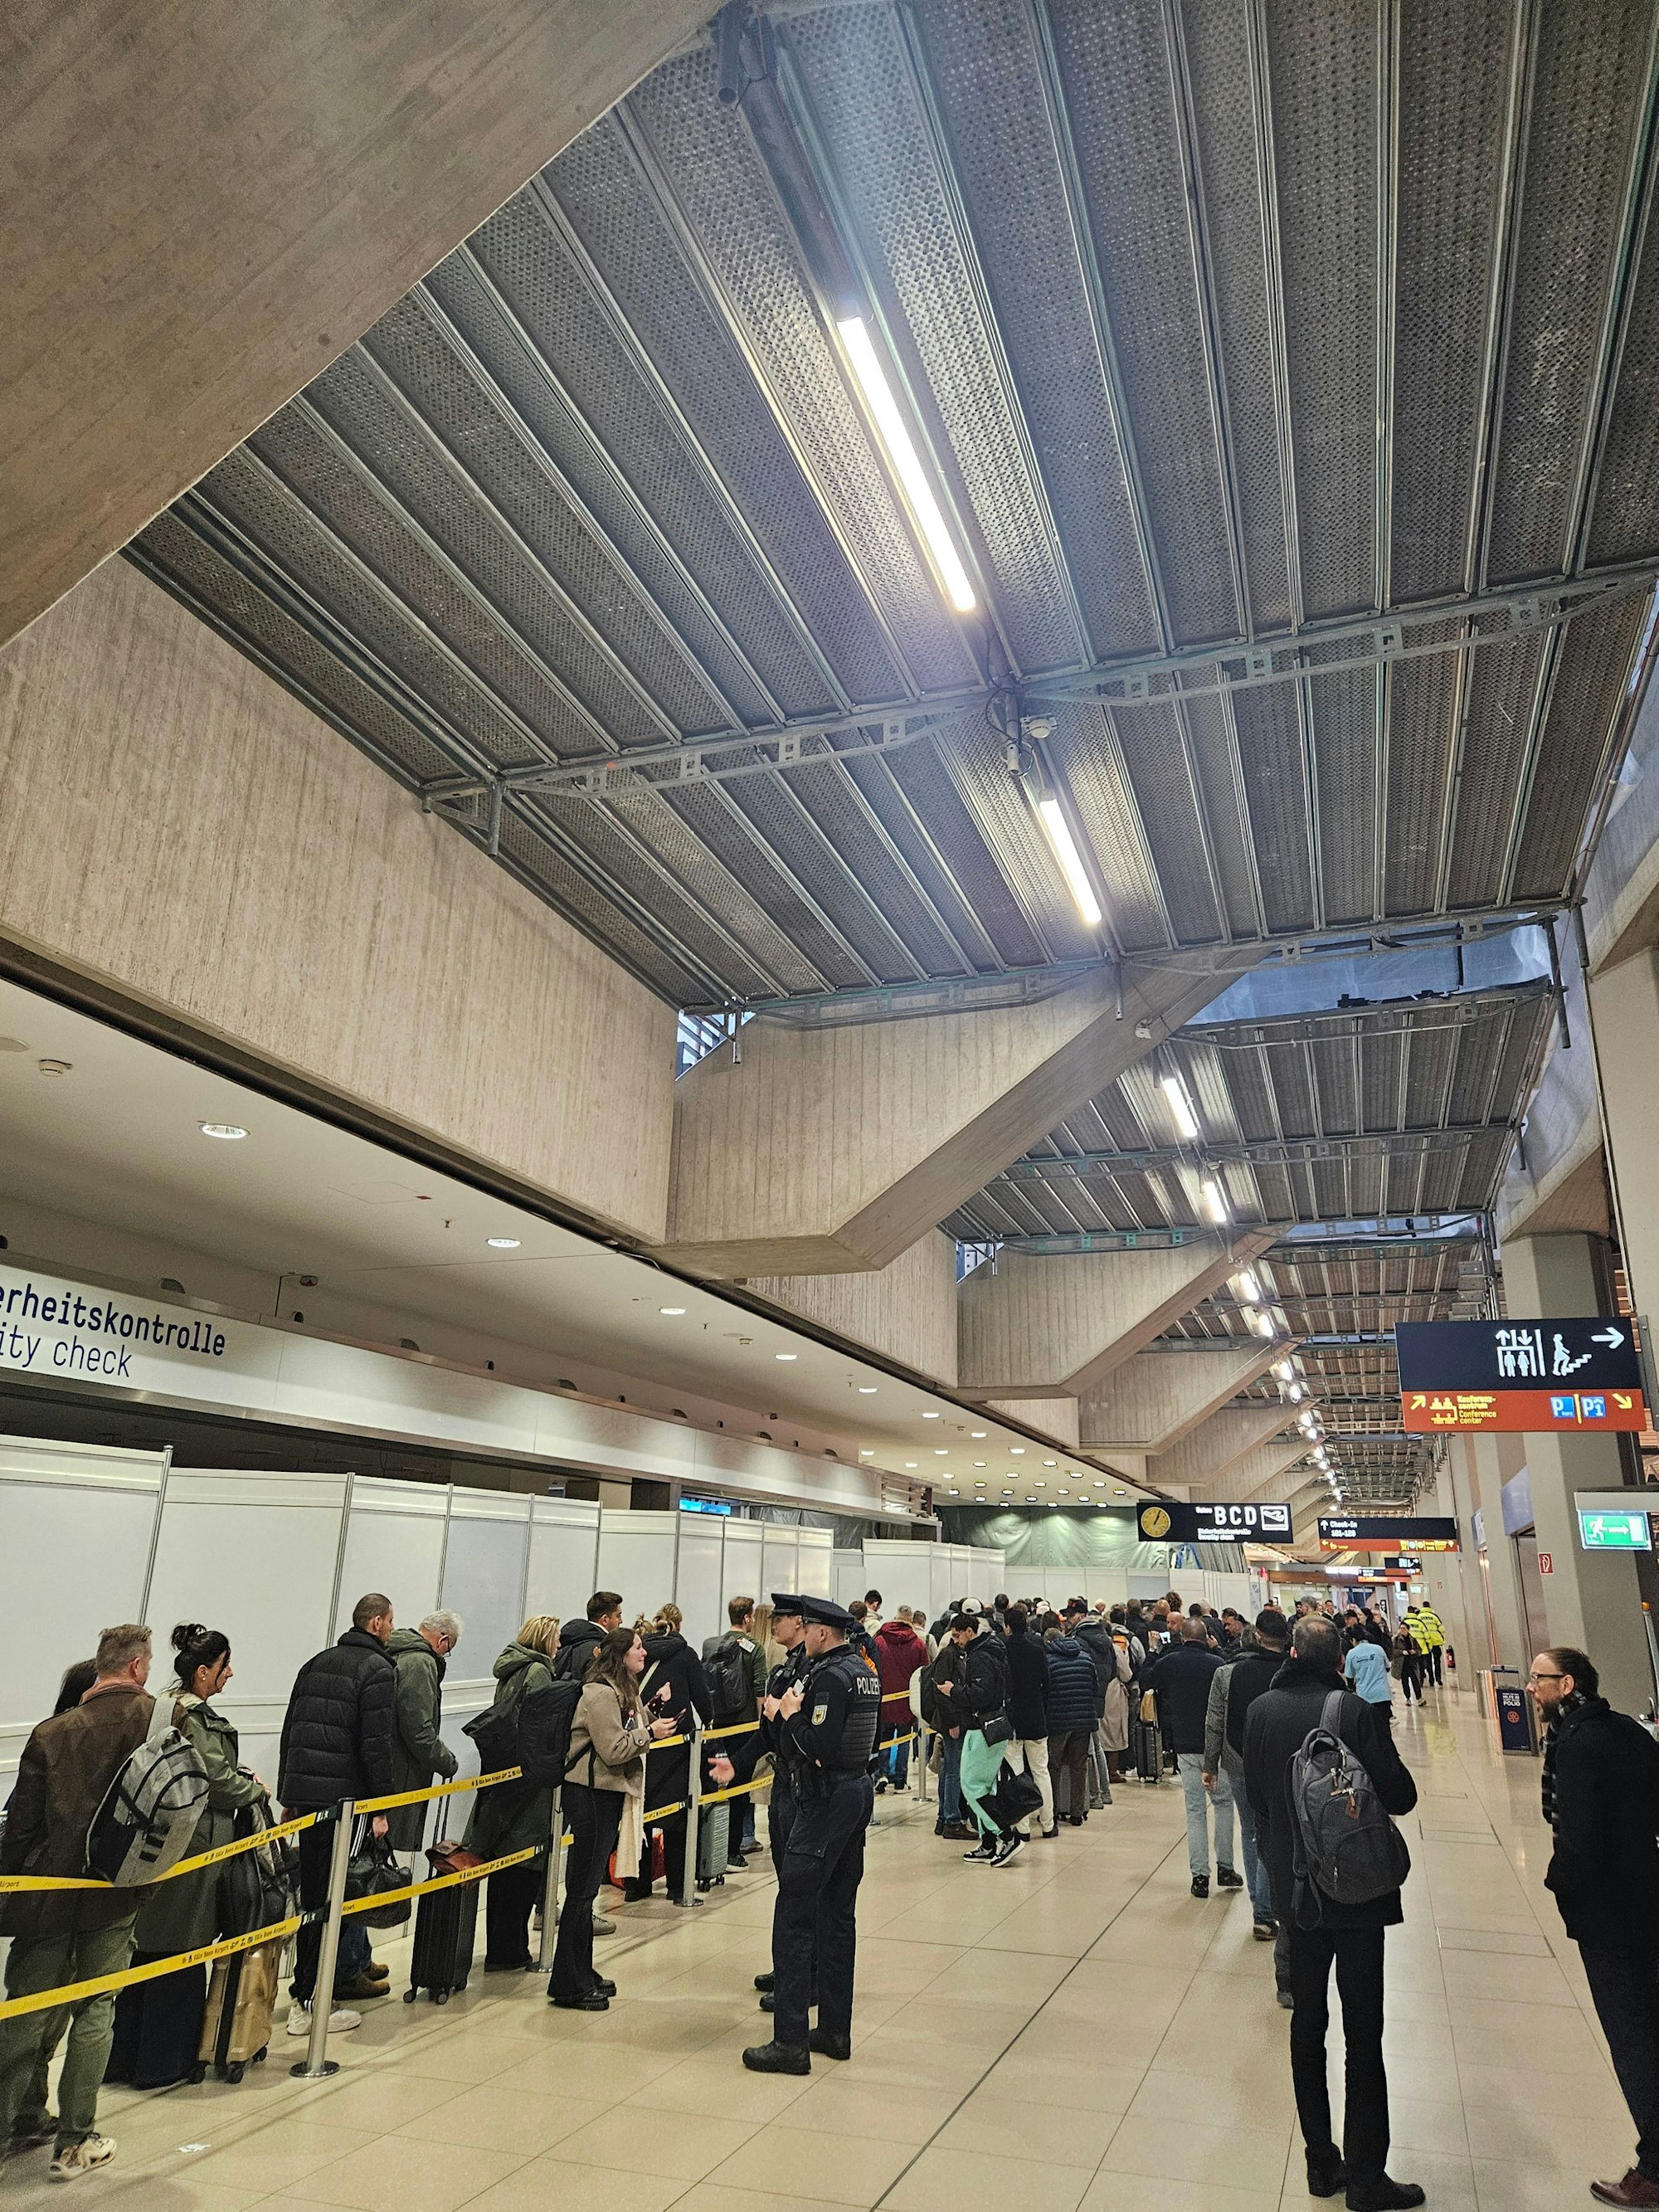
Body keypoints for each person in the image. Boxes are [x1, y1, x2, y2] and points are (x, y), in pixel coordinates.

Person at [1243, 1614, 1421, 2211]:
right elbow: (1400, 1795)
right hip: (1358, 1893)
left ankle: (1321, 2161)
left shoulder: (1261, 1712)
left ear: (1292, 1653)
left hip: (1298, 1895)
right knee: (1363, 2030)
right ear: (1339, 1658)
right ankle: (1367, 2176)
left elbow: (1259, 1801)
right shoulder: (1352, 1711)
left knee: (1307, 2027)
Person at [0, 1625, 174, 2179]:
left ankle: (10, 2126)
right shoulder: (163, 1720)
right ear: (139, 1666)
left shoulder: (51, 1734)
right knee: (96, 2010)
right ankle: (75, 2142)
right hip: (118, 1891)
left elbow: (20, 1829)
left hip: (48, 1894)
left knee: (24, 2013)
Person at [105, 1624, 267, 2089]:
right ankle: (165, 2064)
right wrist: (254, 1789)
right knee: (182, 1950)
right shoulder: (195, 1718)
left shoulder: (160, 1707)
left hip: (155, 1845)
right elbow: (215, 1782)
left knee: (144, 1952)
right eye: (224, 1666)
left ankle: (125, 2060)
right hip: (192, 1846)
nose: (229, 1673)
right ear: (202, 1672)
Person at [1529, 1644, 1659, 2208]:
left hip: (1609, 1914)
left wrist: (1562, 1888)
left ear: (1568, 1685)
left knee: (1633, 2036)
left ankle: (1655, 2168)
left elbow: (1578, 1841)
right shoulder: (1627, 1730)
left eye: (1540, 1679)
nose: (1531, 1687)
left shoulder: (1577, 1746)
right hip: (1646, 1894)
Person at [743, 1596, 880, 2074]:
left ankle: (790, 2042)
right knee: (838, 1915)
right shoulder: (863, 1670)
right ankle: (835, 2031)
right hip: (856, 1792)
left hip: (826, 1799)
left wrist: (789, 1714)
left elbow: (816, 1746)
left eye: (807, 1629)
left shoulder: (829, 1677)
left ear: (822, 1632)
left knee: (795, 1914)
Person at [277, 1591, 397, 2034]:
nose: (391, 1628)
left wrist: (290, 1795)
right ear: (378, 1623)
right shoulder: (378, 1670)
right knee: (335, 1899)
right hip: (345, 1805)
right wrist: (381, 1806)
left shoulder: (315, 1663)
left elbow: (292, 1732)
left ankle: (307, 1994)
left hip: (310, 1800)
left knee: (314, 1897)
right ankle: (311, 2000)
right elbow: (376, 1746)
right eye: (390, 1621)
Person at [548, 1625, 677, 2010]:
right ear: (620, 1655)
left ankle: (581, 1972)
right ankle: (567, 1984)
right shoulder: (601, 1693)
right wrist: (649, 1733)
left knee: (586, 1891)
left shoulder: (621, 1690)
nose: (644, 1652)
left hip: (603, 1794)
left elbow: (623, 1730)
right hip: (589, 1795)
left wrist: (650, 1712)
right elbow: (613, 1748)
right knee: (581, 1891)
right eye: (637, 1647)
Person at [467, 1614, 559, 1971]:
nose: (559, 1645)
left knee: (505, 1861)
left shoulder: (511, 1669)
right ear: (545, 1639)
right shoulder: (538, 1672)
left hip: (505, 1774)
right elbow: (538, 1726)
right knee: (524, 1861)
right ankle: (511, 1949)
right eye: (556, 1638)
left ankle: (503, 1946)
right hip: (528, 1778)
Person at [1204, 1609, 1290, 1970]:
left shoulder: (1227, 1673)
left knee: (1252, 1831)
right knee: (1280, 1830)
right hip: (1283, 1764)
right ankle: (1275, 1905)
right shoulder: (1289, 1671)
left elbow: (1215, 1723)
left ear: (1256, 1637)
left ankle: (1262, 1910)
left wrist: (1210, 1765)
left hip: (1240, 1762)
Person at [625, 1604, 711, 1904]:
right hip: (678, 1743)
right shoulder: (686, 1655)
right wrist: (709, 1721)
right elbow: (702, 1697)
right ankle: (677, 1887)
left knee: (642, 1813)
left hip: (644, 1741)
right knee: (678, 1816)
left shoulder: (638, 1653)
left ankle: (637, 1886)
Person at [1146, 1616, 1235, 1897]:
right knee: (1223, 1804)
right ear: (1206, 1637)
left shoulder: (1170, 1662)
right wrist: (1218, 1648)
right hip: (1216, 1744)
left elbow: (1146, 1679)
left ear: (1182, 1637)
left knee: (1195, 1810)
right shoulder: (1217, 1663)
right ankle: (1226, 1867)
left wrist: (1153, 1651)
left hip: (1185, 1743)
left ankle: (1199, 1877)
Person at [937, 1612, 1020, 1865]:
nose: (955, 1640)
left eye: (957, 1635)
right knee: (984, 1786)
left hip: (983, 1728)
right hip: (985, 1727)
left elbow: (981, 1695)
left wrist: (953, 1691)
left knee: (972, 1786)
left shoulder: (981, 1656)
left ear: (969, 1631)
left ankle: (1006, 1836)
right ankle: (988, 1842)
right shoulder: (990, 1652)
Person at [384, 1610, 461, 1866]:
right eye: (448, 1649)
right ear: (443, 1639)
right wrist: (447, 1762)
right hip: (400, 1773)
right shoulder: (421, 1663)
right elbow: (418, 1729)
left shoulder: (394, 1650)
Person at [704, 1596, 768, 1857]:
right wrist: (763, 1727)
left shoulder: (713, 1645)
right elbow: (760, 1690)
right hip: (745, 1728)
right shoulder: (755, 1648)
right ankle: (732, 1851)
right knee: (740, 1790)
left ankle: (712, 1849)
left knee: (716, 1788)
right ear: (747, 1618)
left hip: (719, 1726)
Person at [1043, 1613, 1099, 1829]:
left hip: (1058, 1721)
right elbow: (1094, 1687)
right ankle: (1077, 1813)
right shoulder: (1085, 1657)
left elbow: (1045, 1692)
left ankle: (1053, 1812)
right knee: (1079, 1766)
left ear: (1049, 1642)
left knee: (1053, 1767)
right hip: (1084, 1720)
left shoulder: (1049, 1661)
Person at [1000, 1606, 1053, 1837]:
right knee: (1041, 1772)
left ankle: (1023, 1828)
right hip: (1035, 1718)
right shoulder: (1037, 1651)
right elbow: (1047, 1685)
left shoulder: (1002, 1651)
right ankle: (1048, 1824)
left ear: (1007, 1627)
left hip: (1012, 1721)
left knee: (1017, 1774)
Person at [873, 1609, 927, 1792]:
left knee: (884, 1738)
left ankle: (882, 1774)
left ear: (896, 1618)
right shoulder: (918, 1644)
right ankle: (900, 1779)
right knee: (904, 1740)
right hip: (907, 1702)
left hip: (884, 1699)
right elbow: (923, 1673)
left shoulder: (879, 1641)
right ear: (911, 1620)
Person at [555, 1591, 623, 1680]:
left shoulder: (568, 1640)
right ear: (605, 1619)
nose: (621, 1621)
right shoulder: (602, 1648)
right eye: (618, 1616)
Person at [1345, 1630, 1393, 1713]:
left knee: (1368, 1721)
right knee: (1384, 1719)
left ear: (1353, 1640)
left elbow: (1349, 1676)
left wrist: (1352, 1688)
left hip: (1364, 1696)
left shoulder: (1351, 1653)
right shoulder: (1378, 1649)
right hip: (1383, 1694)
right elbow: (1388, 1668)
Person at [1392, 1624, 1423, 1706]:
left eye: (1404, 1628)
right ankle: (1408, 1698)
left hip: (1412, 1663)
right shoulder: (1396, 1639)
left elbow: (1419, 1650)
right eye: (1401, 1628)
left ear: (1408, 1630)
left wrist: (1414, 1651)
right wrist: (1401, 1652)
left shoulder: (1412, 1639)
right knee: (1405, 1681)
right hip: (1402, 1664)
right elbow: (1392, 1651)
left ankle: (1419, 1698)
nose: (1402, 1630)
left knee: (1415, 1680)